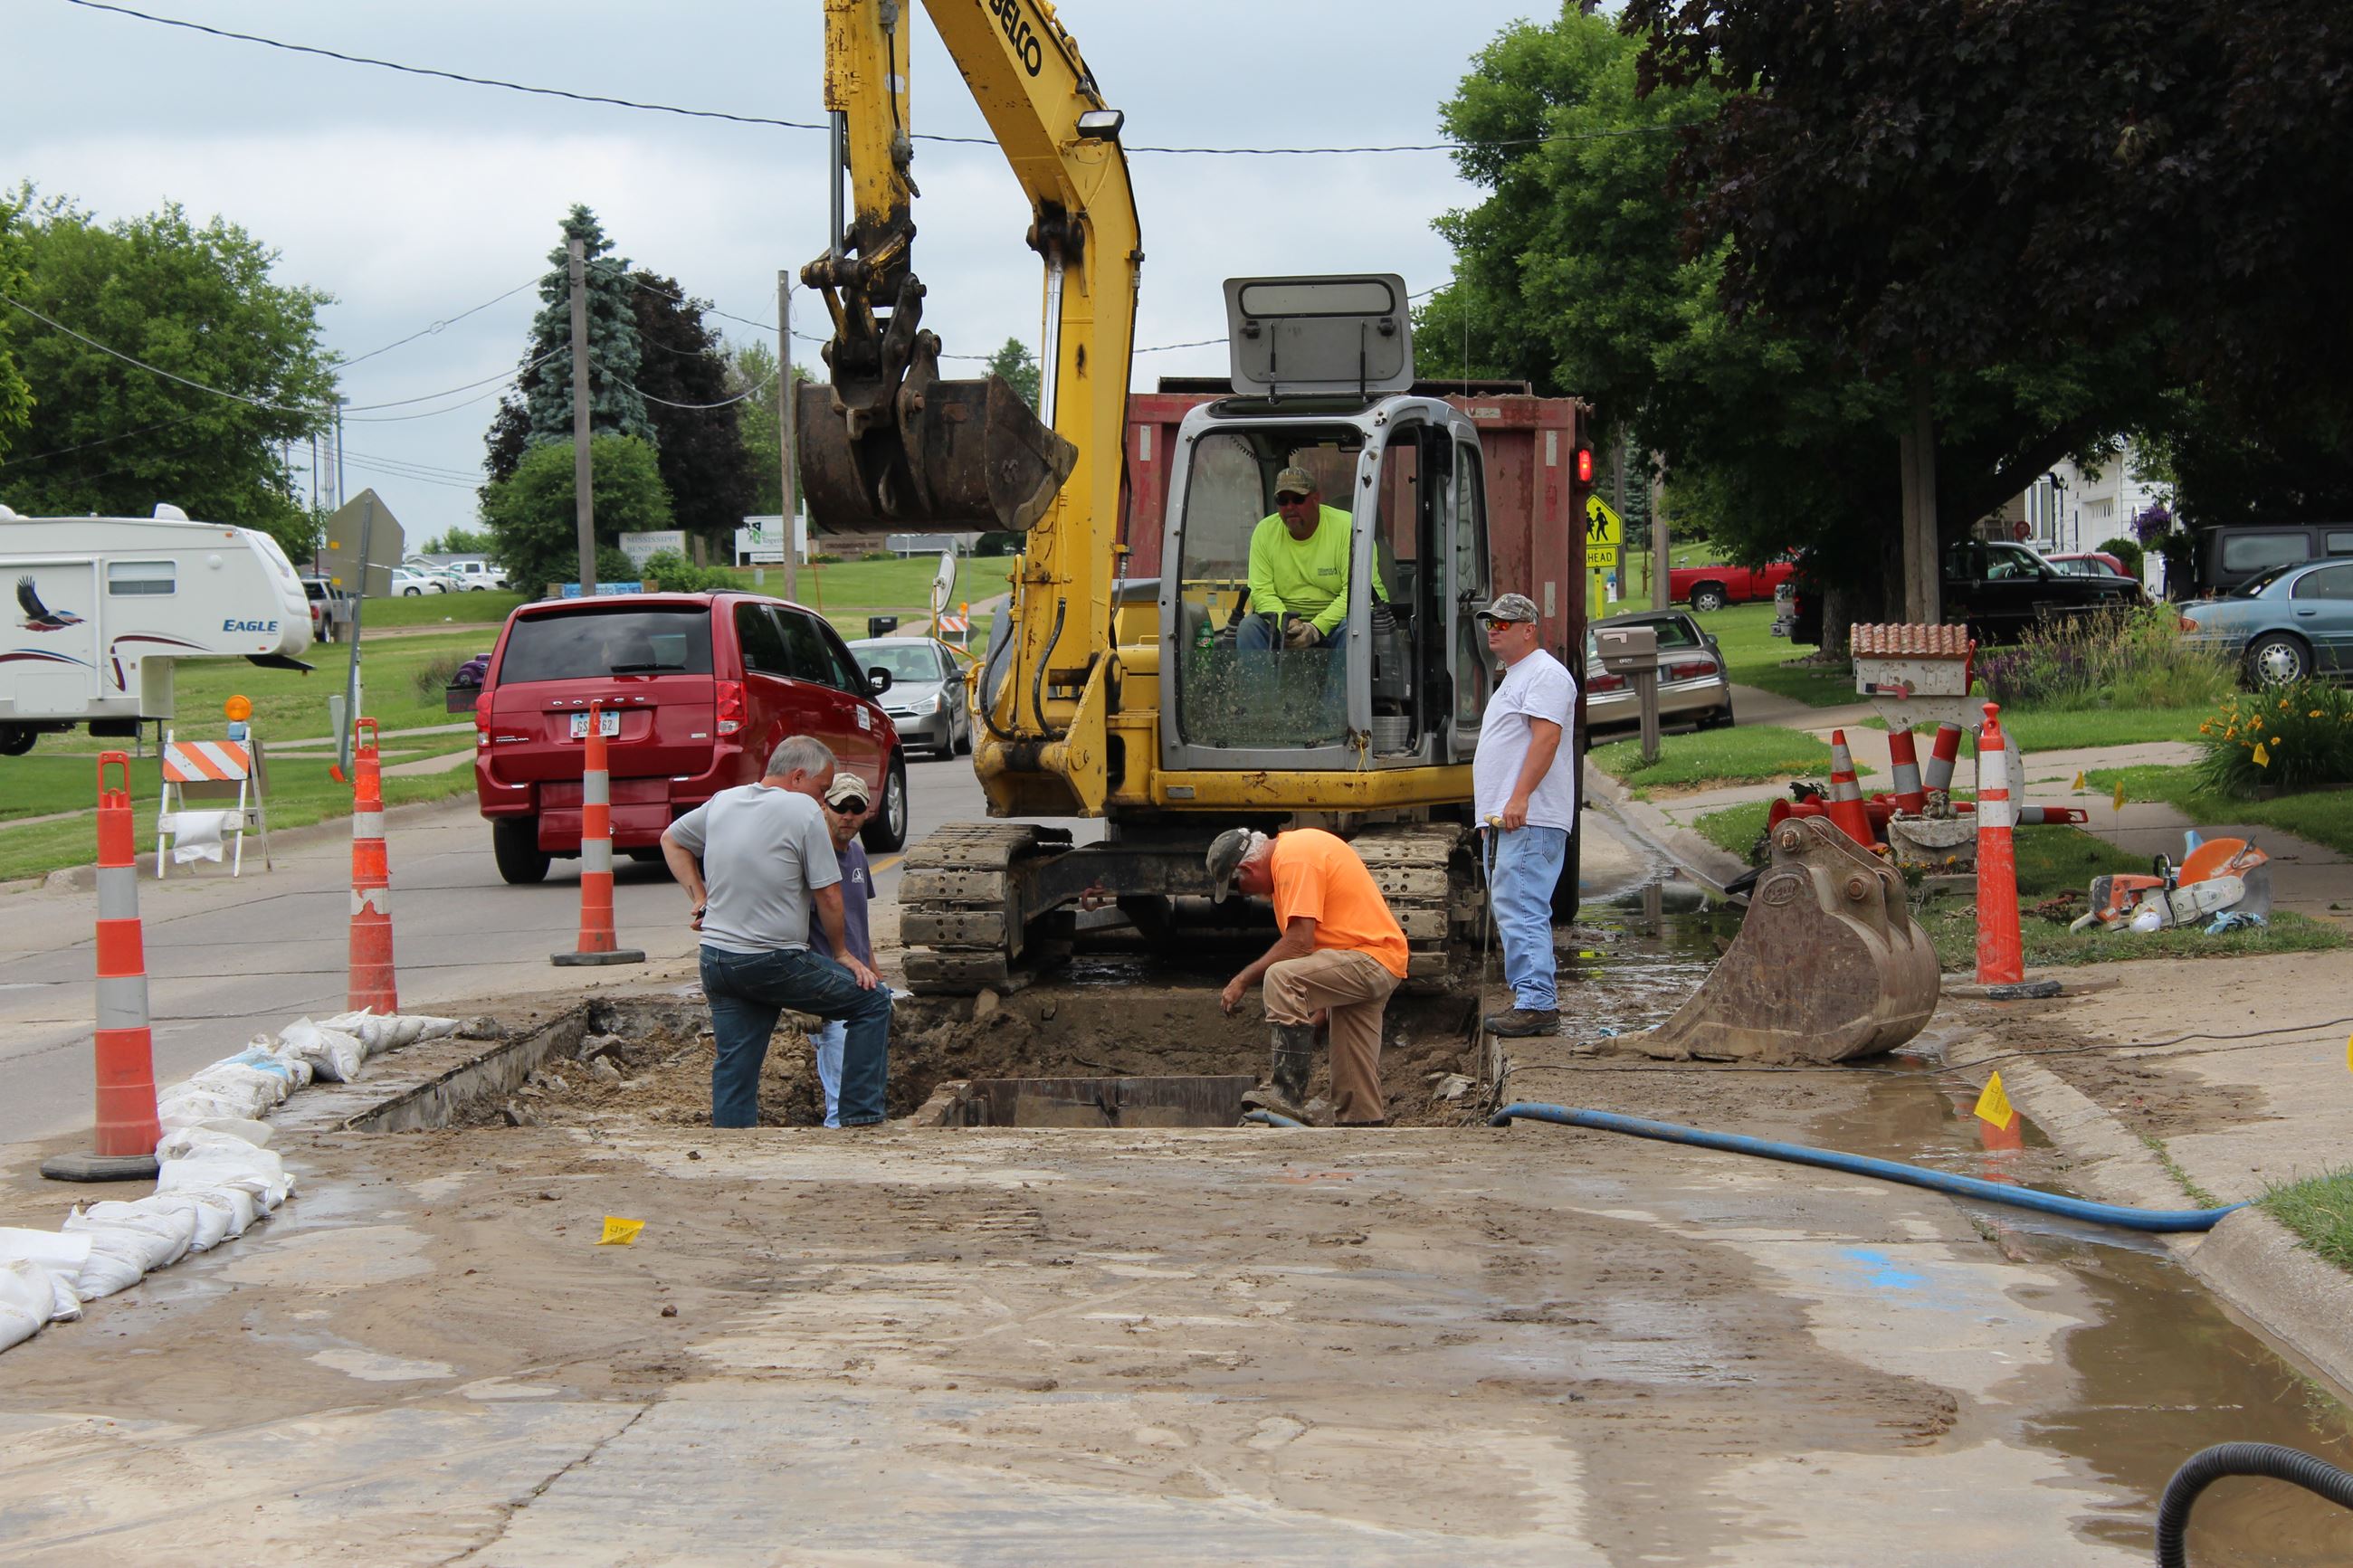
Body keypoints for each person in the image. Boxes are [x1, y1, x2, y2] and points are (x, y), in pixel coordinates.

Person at [659, 736, 892, 1128]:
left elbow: (672, 839)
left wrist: (700, 898)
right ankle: (860, 1118)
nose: (823, 802)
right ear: (798, 776)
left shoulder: (725, 800)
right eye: (822, 790)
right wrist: (842, 954)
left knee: (737, 1058)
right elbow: (829, 895)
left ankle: (732, 1139)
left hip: (717, 959)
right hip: (772, 959)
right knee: (872, 1002)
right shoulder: (802, 810)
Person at [1207, 825, 1409, 1126]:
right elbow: (1332, 941)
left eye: (1237, 886)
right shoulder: (1295, 854)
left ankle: (1286, 1094)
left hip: (1368, 958)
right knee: (1353, 1083)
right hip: (1374, 958)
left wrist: (1242, 980)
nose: (1243, 894)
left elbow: (1300, 942)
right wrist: (1321, 1014)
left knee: (1281, 977)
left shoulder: (1293, 858)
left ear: (1247, 869)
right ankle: (1364, 1143)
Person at [1471, 593, 1578, 1037]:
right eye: (1490, 622)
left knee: (1522, 905)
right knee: (1514, 904)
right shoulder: (1517, 677)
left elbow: (1546, 739)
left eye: (1504, 623)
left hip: (1527, 818)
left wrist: (1518, 798)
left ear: (1529, 629)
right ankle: (1531, 997)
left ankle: (1536, 1004)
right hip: (1510, 818)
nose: (1493, 629)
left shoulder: (1545, 675)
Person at [1238, 466, 1387, 725]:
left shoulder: (1349, 529)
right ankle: (1263, 720)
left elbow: (1358, 591)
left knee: (1353, 628)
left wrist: (1315, 628)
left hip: (1337, 622)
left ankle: (1333, 724)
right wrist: (1290, 623)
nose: (1290, 507)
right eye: (1282, 501)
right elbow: (1260, 590)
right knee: (1249, 628)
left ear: (1316, 498)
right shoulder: (1265, 532)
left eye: (1298, 499)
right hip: (1289, 624)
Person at [806, 772, 876, 1129]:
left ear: (866, 812)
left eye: (856, 808)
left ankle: (855, 1125)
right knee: (840, 1076)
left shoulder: (858, 856)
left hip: (862, 985)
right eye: (840, 807)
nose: (847, 816)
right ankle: (840, 1134)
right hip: (830, 986)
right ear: (824, 807)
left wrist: (875, 971)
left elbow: (859, 922)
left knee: (861, 1069)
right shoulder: (812, 857)